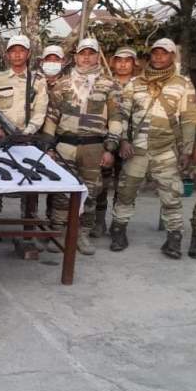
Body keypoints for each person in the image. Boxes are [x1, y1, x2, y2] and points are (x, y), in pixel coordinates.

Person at [110, 38, 196, 258]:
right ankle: (118, 232)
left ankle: (174, 240)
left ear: (172, 56)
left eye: (164, 53)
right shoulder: (135, 83)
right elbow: (122, 114)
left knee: (171, 197)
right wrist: (123, 140)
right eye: (156, 52)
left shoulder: (183, 84)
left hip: (166, 150)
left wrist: (187, 151)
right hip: (136, 149)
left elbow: (189, 118)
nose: (159, 57)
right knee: (125, 192)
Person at [42, 37, 122, 255]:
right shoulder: (63, 84)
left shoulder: (109, 85)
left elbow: (116, 119)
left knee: (91, 192)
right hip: (64, 146)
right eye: (82, 54)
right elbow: (51, 118)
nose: (86, 58)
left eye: (91, 53)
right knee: (61, 191)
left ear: (97, 56)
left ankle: (82, 234)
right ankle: (58, 232)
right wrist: (49, 148)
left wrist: (110, 148)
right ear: (76, 57)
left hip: (94, 147)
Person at [0, 35, 49, 240]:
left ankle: (28, 233)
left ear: (28, 53)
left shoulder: (38, 80)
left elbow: (40, 112)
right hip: (0, 140)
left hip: (26, 140)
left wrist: (28, 132)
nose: (17, 54)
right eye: (13, 51)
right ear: (7, 55)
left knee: (30, 186)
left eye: (21, 50)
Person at [94, 46, 137, 237]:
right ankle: (99, 222)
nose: (123, 64)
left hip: (130, 143)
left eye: (127, 61)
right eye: (119, 60)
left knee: (123, 185)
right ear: (113, 62)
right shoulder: (105, 83)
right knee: (101, 183)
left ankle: (118, 224)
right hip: (106, 141)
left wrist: (126, 139)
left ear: (134, 63)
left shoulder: (141, 85)